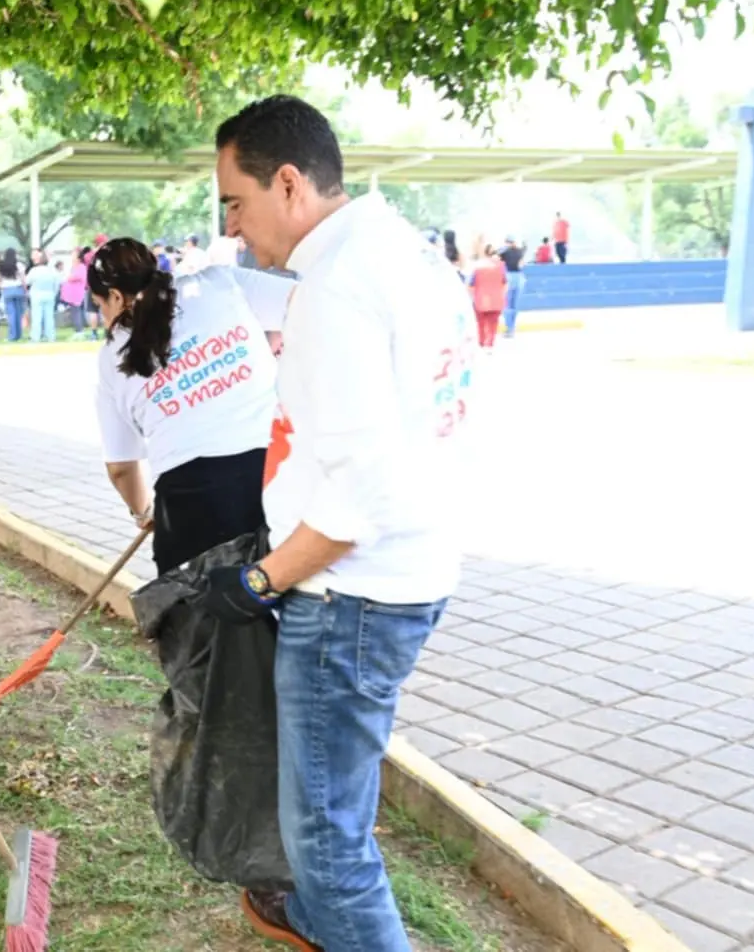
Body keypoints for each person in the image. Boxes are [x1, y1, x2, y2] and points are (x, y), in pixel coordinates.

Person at [212, 95, 471, 952]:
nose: (236, 232)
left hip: (347, 598)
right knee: (333, 817)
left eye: (236, 205)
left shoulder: (335, 289)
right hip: (409, 574)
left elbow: (358, 496)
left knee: (326, 845)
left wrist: (259, 580)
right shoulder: (407, 254)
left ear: (288, 184)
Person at [90, 237, 292, 576]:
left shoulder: (111, 356)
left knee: (203, 622)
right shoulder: (220, 282)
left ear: (114, 297)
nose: (104, 316)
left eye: (100, 306)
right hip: (273, 475)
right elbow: (310, 303)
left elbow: (121, 468)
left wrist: (144, 512)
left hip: (188, 503)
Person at [469, 243, 508, 349]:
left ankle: (481, 342)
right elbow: (505, 282)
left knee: (481, 322)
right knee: (493, 322)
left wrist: (472, 297)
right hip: (496, 300)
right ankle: (489, 343)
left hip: (481, 299)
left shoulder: (477, 266)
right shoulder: (501, 266)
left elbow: (471, 283)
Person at [26, 250, 62, 342]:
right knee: (49, 317)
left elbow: (27, 281)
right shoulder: (52, 271)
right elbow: (57, 284)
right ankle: (51, 337)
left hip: (37, 295)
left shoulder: (34, 270)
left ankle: (35, 337)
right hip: (49, 294)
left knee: (37, 317)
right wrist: (54, 293)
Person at [497, 235, 526, 338]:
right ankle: (511, 327)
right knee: (511, 304)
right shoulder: (516, 251)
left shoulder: (507, 251)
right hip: (516, 276)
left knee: (509, 303)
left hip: (511, 276)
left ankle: (510, 327)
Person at [0, 248, 28, 342]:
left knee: (11, 314)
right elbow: (23, 279)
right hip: (18, 289)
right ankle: (19, 335)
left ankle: (12, 335)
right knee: (19, 313)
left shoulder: (1, 265)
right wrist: (25, 290)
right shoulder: (19, 265)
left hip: (7, 290)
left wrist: (1, 286)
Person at [61, 246, 92, 336]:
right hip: (71, 294)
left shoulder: (81, 267)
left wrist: (69, 277)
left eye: (74, 255)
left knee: (76, 311)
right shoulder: (72, 267)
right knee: (74, 312)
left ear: (78, 257)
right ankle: (77, 329)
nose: (72, 256)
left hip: (77, 294)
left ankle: (79, 330)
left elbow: (76, 277)